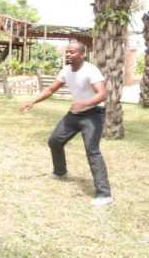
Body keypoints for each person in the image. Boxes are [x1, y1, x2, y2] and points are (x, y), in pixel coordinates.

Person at [21, 41, 113, 206]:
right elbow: (50, 89)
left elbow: (102, 94)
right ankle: (60, 171)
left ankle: (104, 194)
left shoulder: (90, 70)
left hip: (93, 114)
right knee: (55, 141)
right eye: (67, 52)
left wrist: (84, 104)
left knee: (92, 151)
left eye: (72, 52)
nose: (68, 54)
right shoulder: (66, 71)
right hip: (75, 114)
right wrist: (33, 101)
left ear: (82, 54)